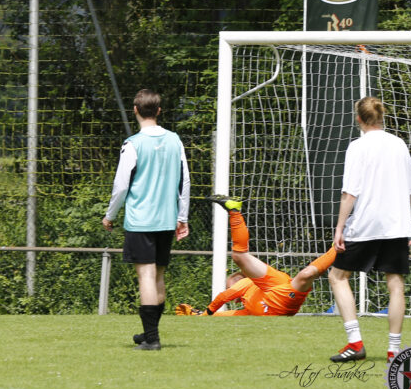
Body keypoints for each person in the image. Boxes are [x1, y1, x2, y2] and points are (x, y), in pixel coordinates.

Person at [328, 96, 411, 363]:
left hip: (366, 224)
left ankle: (355, 343)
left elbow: (349, 193)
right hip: (396, 226)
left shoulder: (357, 147)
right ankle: (394, 351)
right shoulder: (399, 144)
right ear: (382, 117)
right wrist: (405, 225)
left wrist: (339, 228)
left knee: (338, 276)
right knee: (395, 283)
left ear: (358, 118)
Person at [102, 89, 190, 351]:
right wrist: (182, 217)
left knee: (146, 277)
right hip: (166, 219)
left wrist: (110, 215)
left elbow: (121, 186)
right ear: (159, 111)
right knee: (158, 276)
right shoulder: (175, 140)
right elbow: (184, 181)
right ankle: (150, 332)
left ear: (135, 110)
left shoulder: (133, 144)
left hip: (141, 220)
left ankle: (151, 339)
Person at [176, 195, 336, 317]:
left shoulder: (246, 284)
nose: (230, 292)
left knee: (306, 274)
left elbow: (224, 297)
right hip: (279, 301)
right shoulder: (249, 308)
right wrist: (197, 315)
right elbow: (224, 316)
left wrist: (205, 314)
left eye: (229, 286)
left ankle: (338, 247)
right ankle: (234, 210)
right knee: (239, 256)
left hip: (283, 296)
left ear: (238, 282)